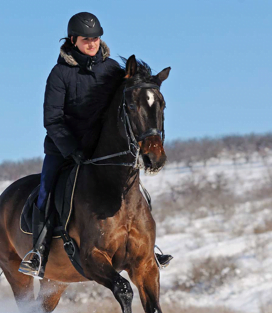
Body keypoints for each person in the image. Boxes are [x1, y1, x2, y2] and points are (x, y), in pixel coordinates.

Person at [19, 12, 172, 278]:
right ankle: (38, 253)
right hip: (65, 149)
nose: (92, 43)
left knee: (137, 191)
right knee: (45, 192)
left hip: (103, 149)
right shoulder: (59, 74)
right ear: (73, 40)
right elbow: (52, 119)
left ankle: (148, 248)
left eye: (96, 38)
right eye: (86, 39)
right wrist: (71, 149)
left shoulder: (113, 69)